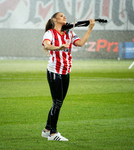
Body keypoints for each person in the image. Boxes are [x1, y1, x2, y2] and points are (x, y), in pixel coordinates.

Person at [41, 12, 95, 141]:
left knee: (58, 103)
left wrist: (90, 28)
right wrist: (59, 47)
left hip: (66, 71)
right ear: (54, 20)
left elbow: (80, 43)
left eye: (65, 16)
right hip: (54, 71)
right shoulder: (50, 33)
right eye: (61, 16)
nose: (64, 17)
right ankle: (53, 134)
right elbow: (47, 45)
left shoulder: (69, 33)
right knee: (57, 102)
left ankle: (47, 129)